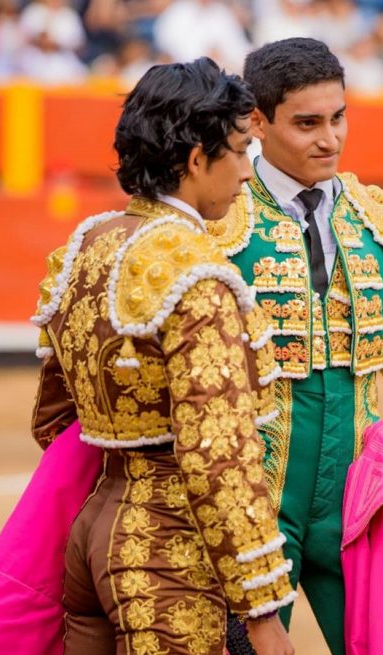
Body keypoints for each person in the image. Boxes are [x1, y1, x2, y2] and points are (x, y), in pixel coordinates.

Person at [211, 37, 383, 654]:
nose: (329, 139)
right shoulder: (222, 218)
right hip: (253, 502)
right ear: (257, 121)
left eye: (338, 118)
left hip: (361, 503)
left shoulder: (375, 220)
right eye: (307, 123)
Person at [30, 57, 296, 655]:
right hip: (167, 552)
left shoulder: (87, 247)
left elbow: (52, 417)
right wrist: (262, 610)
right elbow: (217, 453)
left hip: (90, 532)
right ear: (198, 158)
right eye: (240, 151)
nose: (249, 174)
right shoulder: (197, 272)